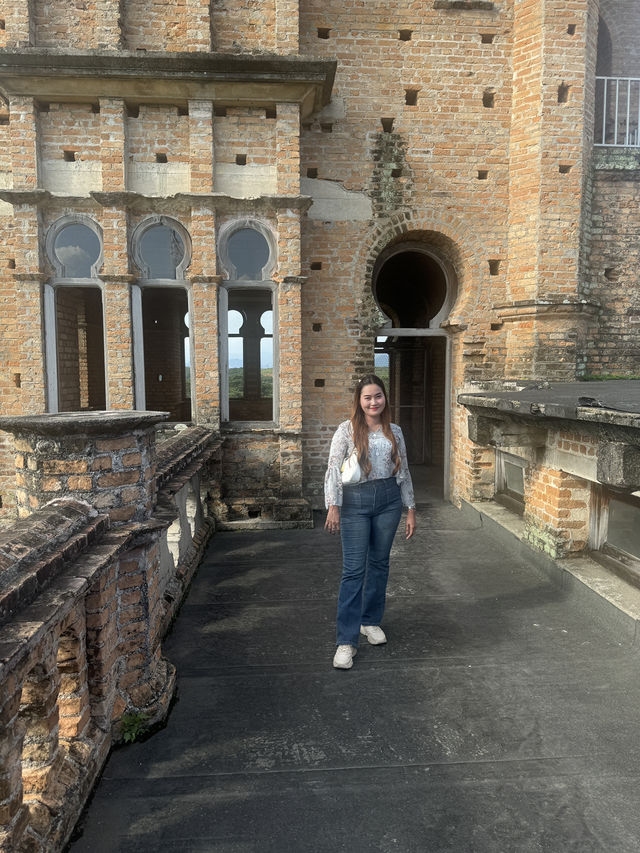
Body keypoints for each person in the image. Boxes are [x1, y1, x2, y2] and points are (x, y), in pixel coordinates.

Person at [324, 374, 416, 669]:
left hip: (388, 500)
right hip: (354, 503)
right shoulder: (346, 430)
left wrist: (410, 508)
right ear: (359, 401)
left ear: (384, 398)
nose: (374, 402)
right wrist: (333, 506)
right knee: (353, 570)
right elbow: (333, 471)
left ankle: (370, 621)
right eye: (368, 397)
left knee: (380, 563)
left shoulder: (395, 431)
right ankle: (346, 641)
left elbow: (403, 471)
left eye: (378, 396)